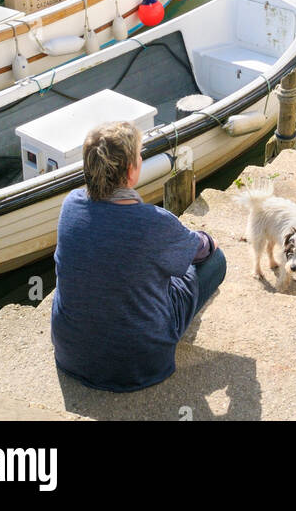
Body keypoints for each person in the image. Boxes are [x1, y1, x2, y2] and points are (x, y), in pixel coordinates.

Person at [51, 121, 226, 392]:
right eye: (139, 156)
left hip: (71, 355)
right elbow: (202, 251)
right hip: (139, 364)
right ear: (131, 171)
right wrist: (208, 239)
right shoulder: (153, 222)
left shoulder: (70, 205)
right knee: (216, 261)